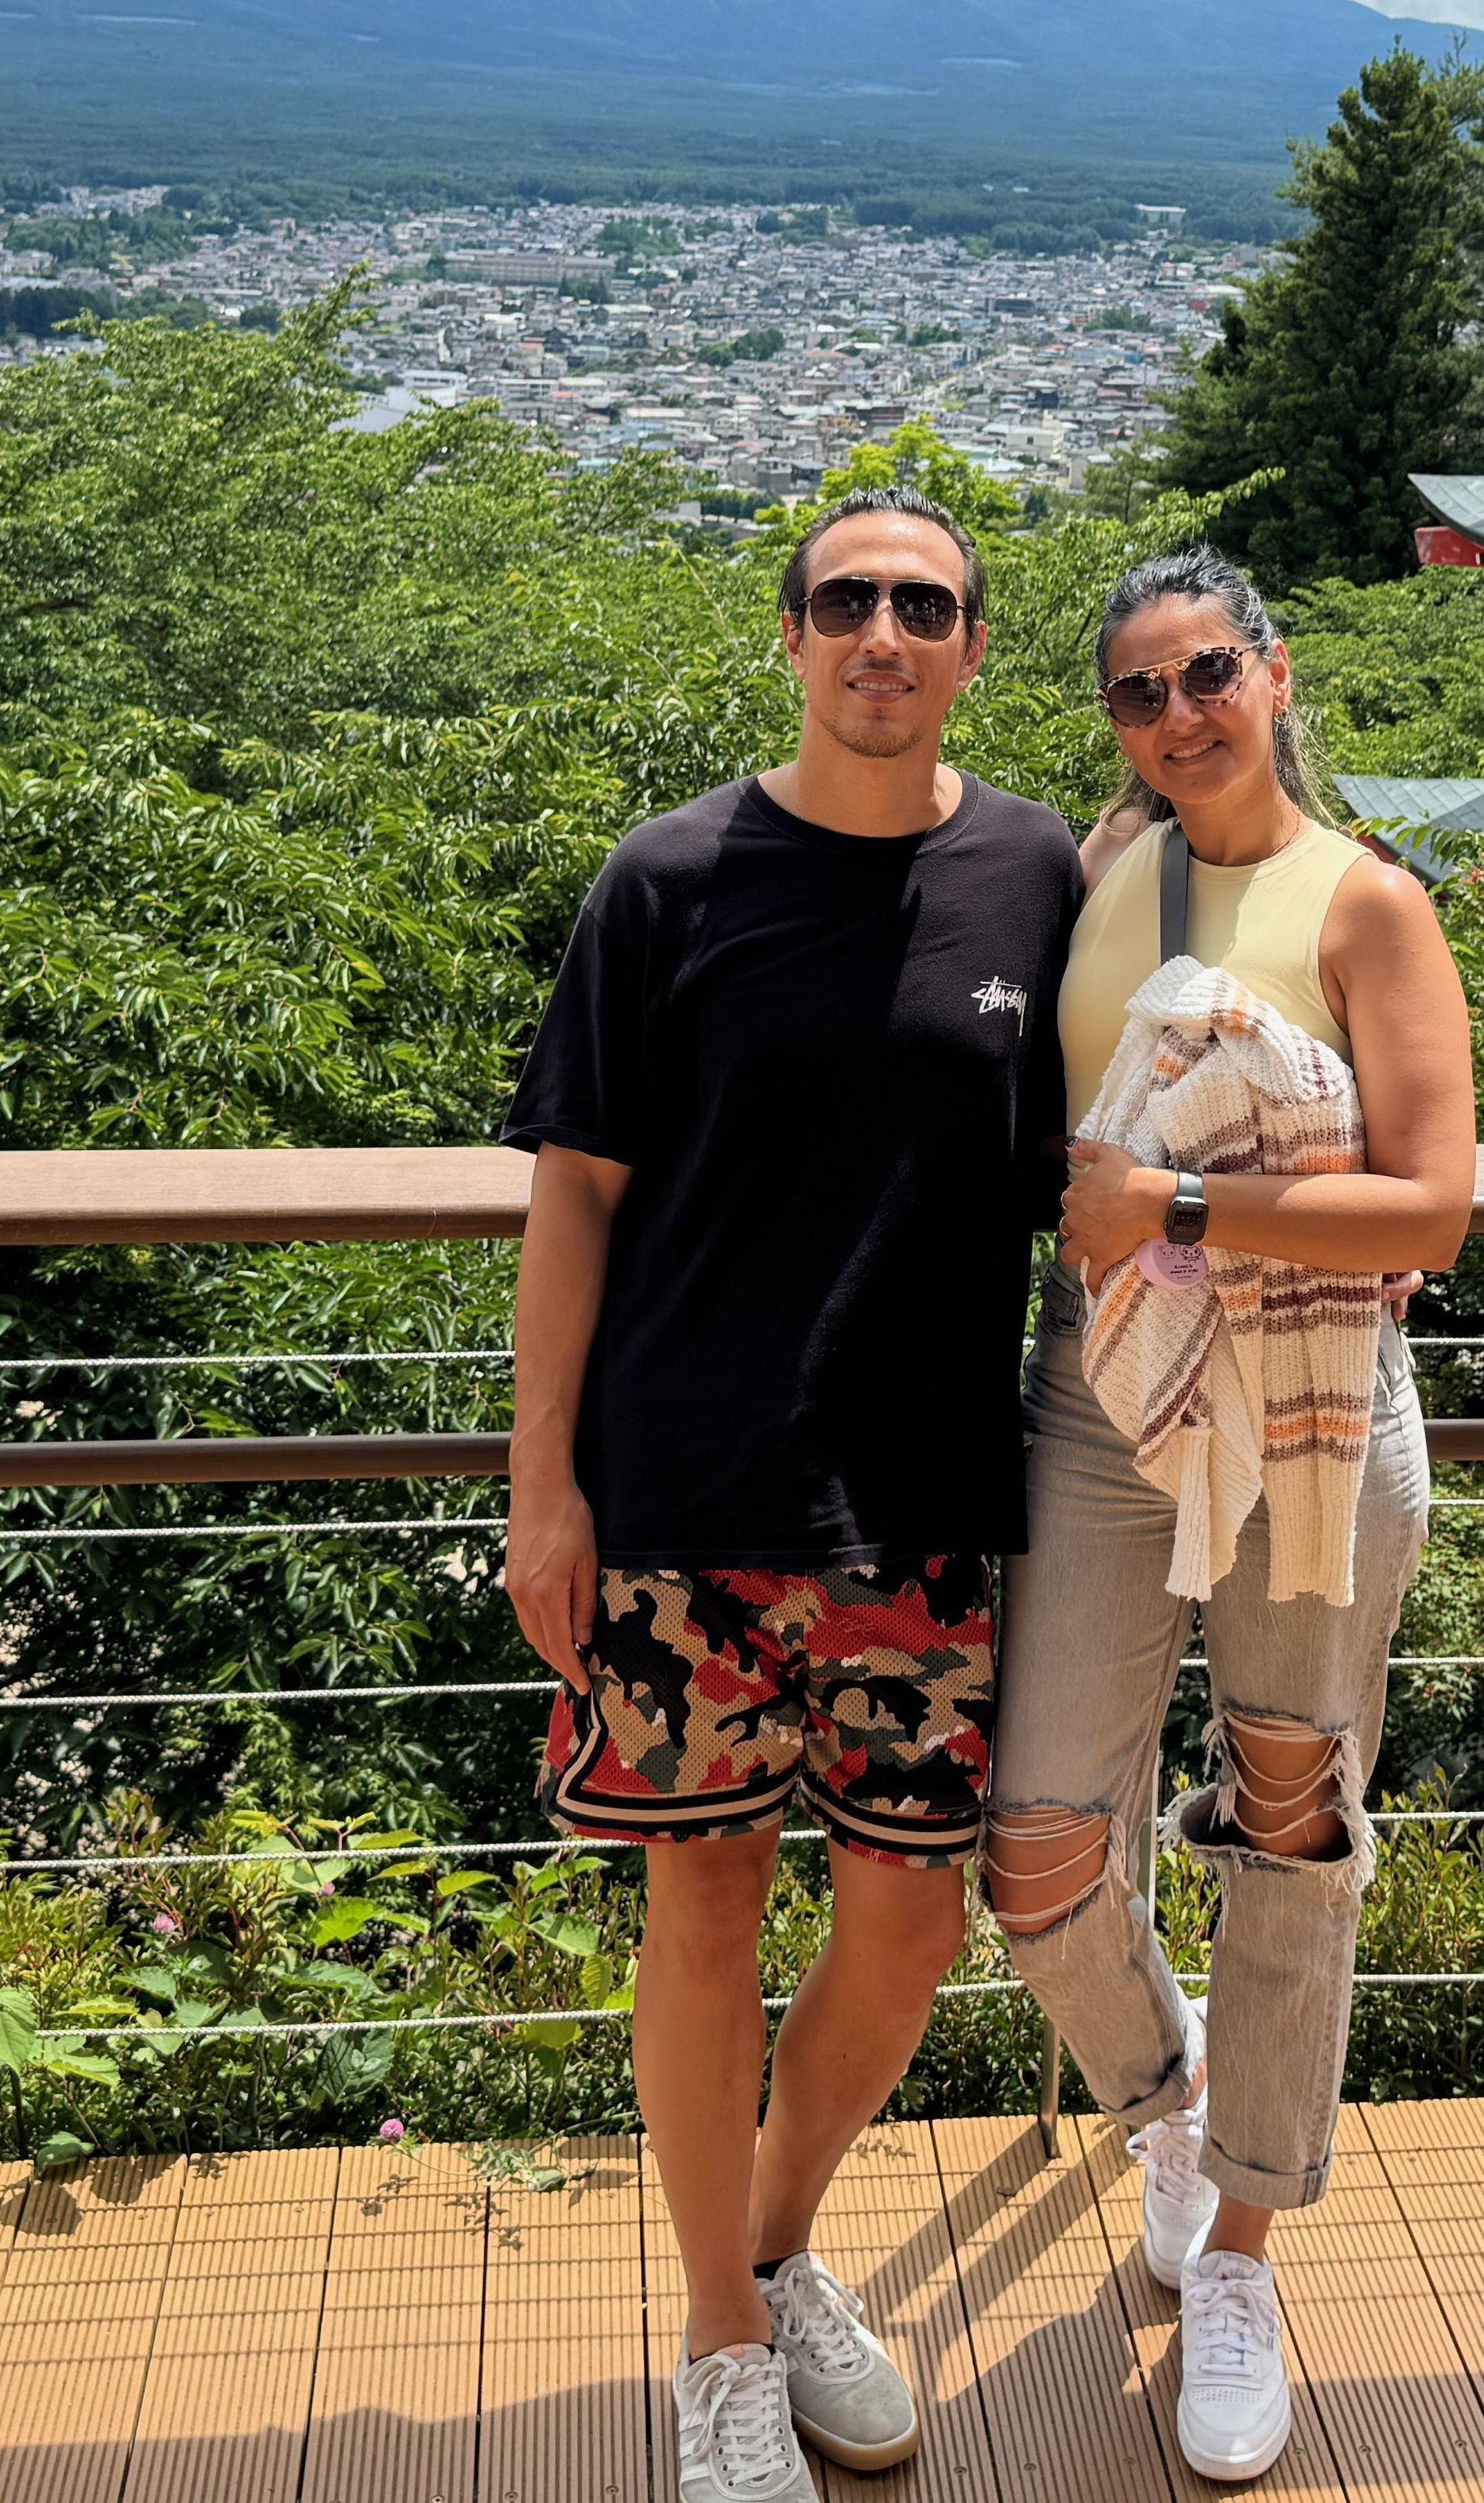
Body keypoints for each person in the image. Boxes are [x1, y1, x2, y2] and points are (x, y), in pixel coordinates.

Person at [502, 487, 1084, 2503]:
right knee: (701, 1899)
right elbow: (573, 1194)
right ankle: (721, 2335)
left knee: (912, 1921)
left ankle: (760, 2242)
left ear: (969, 652)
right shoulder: (667, 880)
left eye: (923, 604)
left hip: (925, 1498)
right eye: (846, 598)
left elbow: (1119, 1132)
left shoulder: (1035, 872)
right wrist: (542, 1487)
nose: (882, 632)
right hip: (678, 1490)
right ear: (788, 632)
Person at [985, 543, 1474, 2486]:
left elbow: (1428, 1205)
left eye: (1205, 673)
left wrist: (1185, 1209)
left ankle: (1247, 2244)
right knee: (1033, 1836)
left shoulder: (1368, 901)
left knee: (1289, 1813)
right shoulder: (1099, 873)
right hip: (1100, 1396)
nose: (1177, 712)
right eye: (1135, 690)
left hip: (1312, 1407)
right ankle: (1170, 2105)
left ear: (1274, 672)